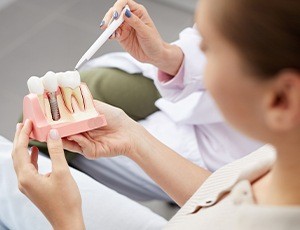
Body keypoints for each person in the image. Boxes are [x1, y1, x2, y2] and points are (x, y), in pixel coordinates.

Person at [5, 0, 300, 229]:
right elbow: (222, 198)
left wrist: (66, 220)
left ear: (279, 100)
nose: (199, 62)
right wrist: (135, 139)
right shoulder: (278, 160)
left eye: (209, 50)